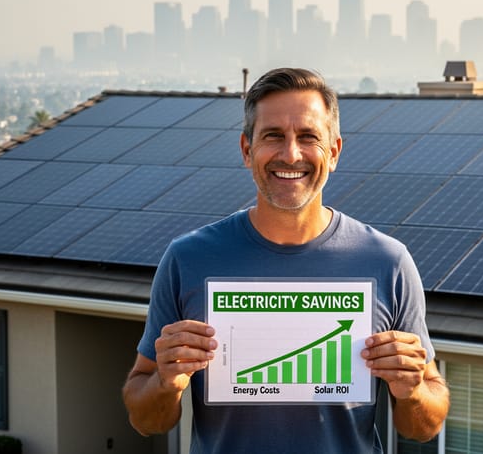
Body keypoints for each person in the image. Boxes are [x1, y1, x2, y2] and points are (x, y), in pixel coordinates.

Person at [122, 67, 449, 453]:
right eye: (273, 136)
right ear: (247, 150)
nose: (290, 153)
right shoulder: (187, 258)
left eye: (308, 137)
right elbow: (145, 419)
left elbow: (424, 427)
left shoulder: (388, 262)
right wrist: (165, 382)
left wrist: (411, 391)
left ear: (334, 152)